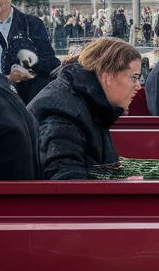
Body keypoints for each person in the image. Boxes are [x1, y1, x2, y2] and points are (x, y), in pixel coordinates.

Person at [27, 37, 142, 180]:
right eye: (134, 77)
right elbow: (67, 182)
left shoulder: (92, 106)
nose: (138, 86)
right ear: (107, 76)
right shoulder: (63, 115)